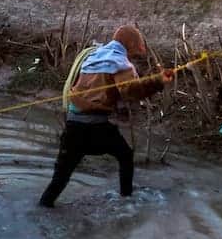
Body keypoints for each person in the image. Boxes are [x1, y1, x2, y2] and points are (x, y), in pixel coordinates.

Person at [38, 26, 173, 208]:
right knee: (125, 155)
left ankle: (43, 207)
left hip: (72, 125)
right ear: (131, 44)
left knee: (60, 178)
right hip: (95, 128)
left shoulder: (93, 56)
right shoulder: (119, 62)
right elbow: (130, 92)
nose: (139, 49)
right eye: (138, 44)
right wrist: (158, 81)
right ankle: (127, 201)